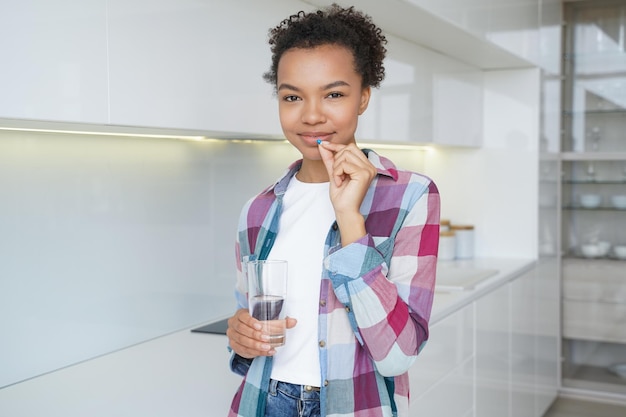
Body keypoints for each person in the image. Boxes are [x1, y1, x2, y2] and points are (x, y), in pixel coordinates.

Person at [226, 4, 440, 417]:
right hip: (263, 402)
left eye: (334, 94)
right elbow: (248, 321)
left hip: (352, 406)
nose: (311, 115)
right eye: (292, 97)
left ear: (363, 97)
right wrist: (241, 335)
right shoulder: (257, 209)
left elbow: (398, 354)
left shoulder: (411, 196)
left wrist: (349, 218)